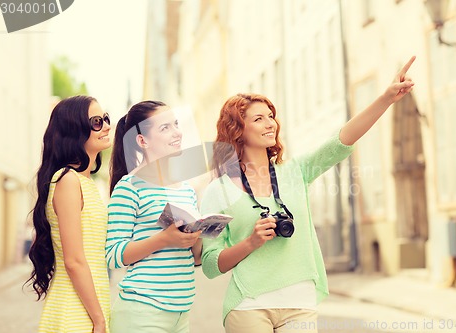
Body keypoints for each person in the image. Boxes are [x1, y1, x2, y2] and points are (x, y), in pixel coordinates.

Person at [201, 57, 416, 332]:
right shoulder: (216, 192)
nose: (271, 124)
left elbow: (341, 141)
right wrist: (251, 242)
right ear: (237, 131)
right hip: (248, 305)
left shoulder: (296, 172)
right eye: (258, 119)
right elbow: (209, 264)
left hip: (299, 303)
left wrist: (386, 99)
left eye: (271, 116)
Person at [107, 100, 202, 333]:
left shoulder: (186, 189)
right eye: (165, 128)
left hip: (181, 313)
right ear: (142, 141)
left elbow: (196, 258)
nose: (176, 132)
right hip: (142, 312)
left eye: (176, 124)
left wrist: (198, 234)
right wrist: (164, 239)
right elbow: (113, 256)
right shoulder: (129, 187)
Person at [27, 95, 112, 333]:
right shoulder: (67, 180)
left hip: (90, 307)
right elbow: (74, 261)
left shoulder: (85, 183)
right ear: (74, 130)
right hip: (75, 312)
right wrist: (98, 320)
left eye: (105, 118)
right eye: (96, 121)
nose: (106, 126)